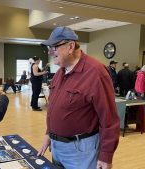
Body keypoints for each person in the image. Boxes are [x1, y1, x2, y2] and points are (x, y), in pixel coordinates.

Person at [38, 26, 120, 169]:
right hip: (57, 148)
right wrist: (48, 134)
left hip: (81, 151)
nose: (50, 52)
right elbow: (55, 109)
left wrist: (106, 156)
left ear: (70, 46)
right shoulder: (59, 73)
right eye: (49, 48)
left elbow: (109, 119)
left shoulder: (95, 72)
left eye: (54, 47)